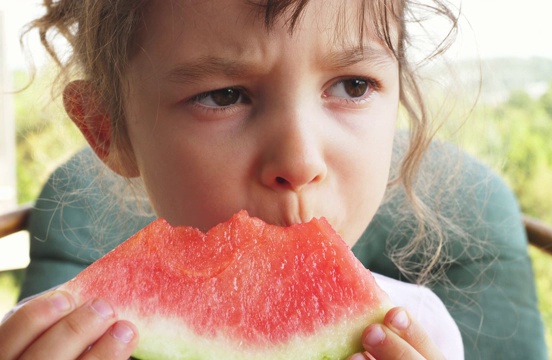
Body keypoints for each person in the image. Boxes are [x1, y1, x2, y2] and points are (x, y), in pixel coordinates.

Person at [0, 0, 469, 358]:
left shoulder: (422, 332)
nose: (300, 161)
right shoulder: (53, 341)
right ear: (107, 130)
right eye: (225, 96)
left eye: (354, 85)